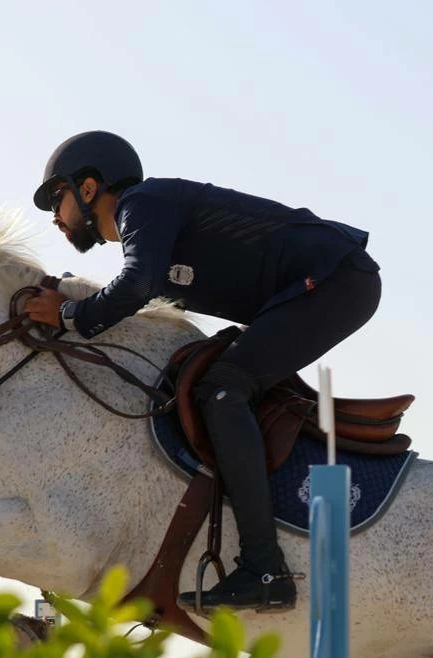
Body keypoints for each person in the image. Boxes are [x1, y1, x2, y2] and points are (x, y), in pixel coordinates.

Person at [24, 131, 382, 612]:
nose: (55, 215)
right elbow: (136, 294)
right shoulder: (148, 227)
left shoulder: (141, 204)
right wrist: (75, 299)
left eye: (57, 198)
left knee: (222, 390)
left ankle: (266, 569)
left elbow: (135, 287)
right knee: (217, 382)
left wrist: (69, 316)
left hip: (335, 278)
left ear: (88, 188)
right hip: (320, 284)